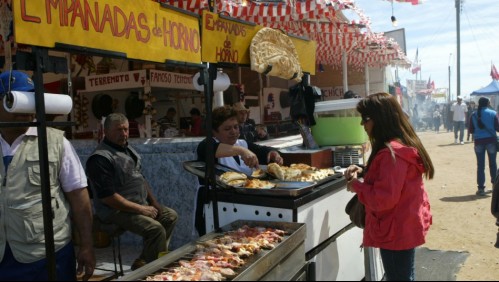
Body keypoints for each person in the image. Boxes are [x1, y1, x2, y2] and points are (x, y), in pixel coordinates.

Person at [0, 70, 95, 280]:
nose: (25, 109)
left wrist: (87, 245)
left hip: (48, 256)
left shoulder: (56, 142)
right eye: (15, 100)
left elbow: (79, 197)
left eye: (30, 101)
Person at [343, 93, 434, 281]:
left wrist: (356, 187)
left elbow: (383, 199)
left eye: (365, 119)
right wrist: (363, 171)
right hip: (404, 225)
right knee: (405, 275)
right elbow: (390, 180)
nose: (363, 124)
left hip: (395, 231)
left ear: (380, 119)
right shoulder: (400, 146)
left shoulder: (391, 154)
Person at [86, 113, 178, 270]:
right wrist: (142, 209)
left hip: (136, 204)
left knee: (169, 216)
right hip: (113, 211)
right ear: (106, 132)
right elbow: (108, 198)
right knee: (155, 229)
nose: (124, 134)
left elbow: (140, 178)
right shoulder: (99, 159)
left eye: (126, 129)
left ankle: (146, 261)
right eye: (118, 130)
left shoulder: (128, 149)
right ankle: (156, 270)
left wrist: (154, 203)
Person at [195, 105, 283, 236]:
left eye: (236, 127)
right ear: (214, 131)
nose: (234, 132)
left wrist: (274, 154)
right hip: (213, 208)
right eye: (227, 128)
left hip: (240, 206)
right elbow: (211, 149)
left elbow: (263, 151)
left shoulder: (241, 144)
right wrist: (242, 151)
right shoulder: (206, 145)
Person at [468, 97, 499, 196]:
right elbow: (497, 128)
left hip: (478, 142)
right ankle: (495, 186)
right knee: (493, 164)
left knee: (480, 166)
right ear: (488, 103)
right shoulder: (493, 113)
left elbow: (471, 130)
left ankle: (481, 188)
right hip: (491, 141)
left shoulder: (473, 114)